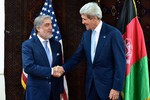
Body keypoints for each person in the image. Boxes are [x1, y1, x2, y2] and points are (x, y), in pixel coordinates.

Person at [53, 2, 126, 100]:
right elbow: (77, 56)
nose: (82, 22)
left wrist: (116, 88)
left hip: (108, 88)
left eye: (84, 19)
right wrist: (63, 69)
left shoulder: (113, 34)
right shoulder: (86, 35)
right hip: (91, 86)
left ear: (95, 18)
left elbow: (120, 63)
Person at [22, 15, 64, 100]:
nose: (51, 27)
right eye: (47, 25)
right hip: (36, 93)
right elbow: (28, 67)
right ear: (38, 28)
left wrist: (60, 91)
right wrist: (51, 71)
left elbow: (59, 67)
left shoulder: (57, 45)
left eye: (51, 24)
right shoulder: (28, 45)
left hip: (54, 93)